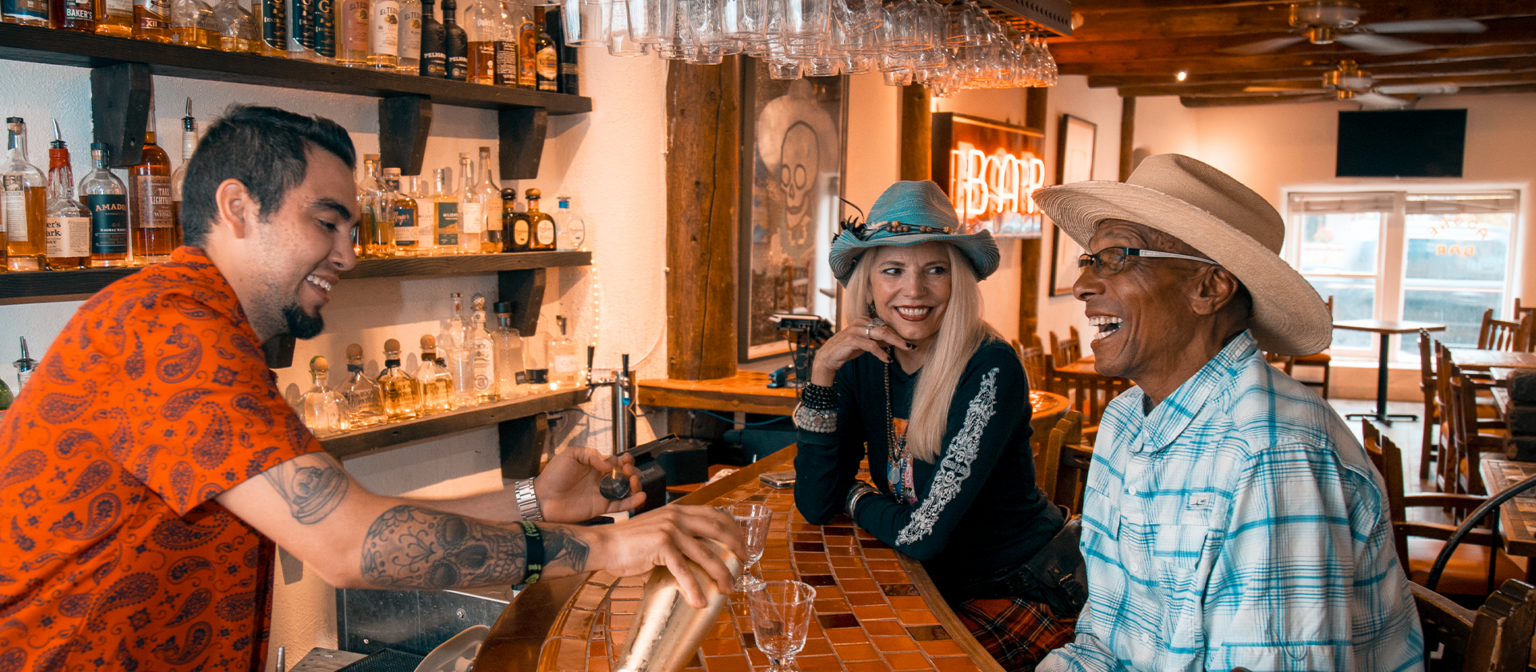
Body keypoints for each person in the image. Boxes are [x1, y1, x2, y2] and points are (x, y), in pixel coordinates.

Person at [0, 105, 744, 671]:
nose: (348, 255)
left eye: (352, 229)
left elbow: (344, 512)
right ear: (236, 208)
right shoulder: (169, 332)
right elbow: (350, 545)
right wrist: (601, 551)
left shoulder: (198, 327)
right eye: (327, 222)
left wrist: (534, 500)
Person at [1033, 154, 1424, 671]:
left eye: (1118, 256)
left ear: (1209, 288)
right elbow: (1106, 636)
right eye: (1090, 260)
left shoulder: (1274, 450)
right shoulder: (1126, 419)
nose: (1083, 286)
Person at [794, 180, 1076, 671]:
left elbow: (922, 533)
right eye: (893, 270)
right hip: (933, 583)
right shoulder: (863, 361)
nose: (914, 290)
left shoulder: (990, 367)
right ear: (868, 282)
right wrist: (821, 374)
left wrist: (855, 495)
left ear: (958, 280)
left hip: (1018, 587)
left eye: (935, 270)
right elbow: (816, 503)